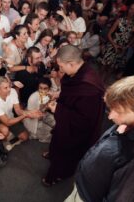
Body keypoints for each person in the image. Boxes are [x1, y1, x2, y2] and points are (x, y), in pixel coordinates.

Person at [65, 76, 134, 202]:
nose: (110, 117)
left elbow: (120, 198)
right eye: (111, 109)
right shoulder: (127, 121)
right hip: (82, 188)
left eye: (119, 112)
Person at [42, 45, 105, 186]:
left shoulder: (89, 87)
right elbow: (71, 90)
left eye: (61, 66)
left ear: (71, 63)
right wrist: (60, 94)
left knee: (66, 153)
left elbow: (83, 120)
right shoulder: (79, 70)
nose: (60, 70)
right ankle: (52, 154)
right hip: (66, 119)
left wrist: (58, 109)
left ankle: (55, 176)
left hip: (76, 131)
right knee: (57, 141)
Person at [0, 76, 42, 149]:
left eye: (9, 86)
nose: (9, 89)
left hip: (9, 117)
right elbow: (7, 122)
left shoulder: (13, 91)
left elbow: (18, 111)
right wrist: (26, 115)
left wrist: (31, 112)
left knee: (25, 137)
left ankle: (6, 141)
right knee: (5, 130)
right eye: (5, 88)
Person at [24, 78, 55, 142]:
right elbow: (30, 116)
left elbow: (45, 110)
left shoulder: (49, 95)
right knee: (53, 135)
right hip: (33, 121)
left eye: (45, 88)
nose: (42, 90)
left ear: (49, 88)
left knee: (58, 124)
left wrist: (50, 100)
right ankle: (33, 134)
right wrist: (42, 107)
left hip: (43, 114)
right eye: (40, 88)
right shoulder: (33, 98)